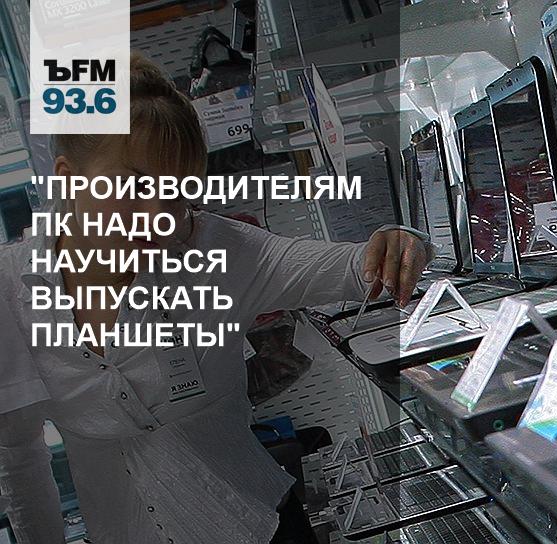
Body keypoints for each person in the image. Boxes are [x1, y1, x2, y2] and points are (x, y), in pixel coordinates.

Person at [0, 53, 429, 543]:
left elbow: (352, 266)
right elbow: (18, 454)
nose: (158, 214)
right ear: (67, 177)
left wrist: (400, 241)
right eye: (136, 185)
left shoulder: (219, 251)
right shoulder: (12, 289)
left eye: (177, 192)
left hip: (257, 526)